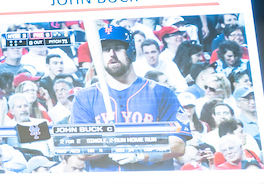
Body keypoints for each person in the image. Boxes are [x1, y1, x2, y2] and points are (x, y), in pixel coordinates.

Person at [70, 25, 189, 171]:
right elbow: (82, 150)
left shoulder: (161, 93)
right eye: (105, 50)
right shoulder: (84, 97)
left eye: (118, 48)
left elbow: (178, 145)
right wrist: (110, 142)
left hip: (152, 181)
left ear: (132, 52)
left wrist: (140, 153)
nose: (112, 54)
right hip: (106, 183)